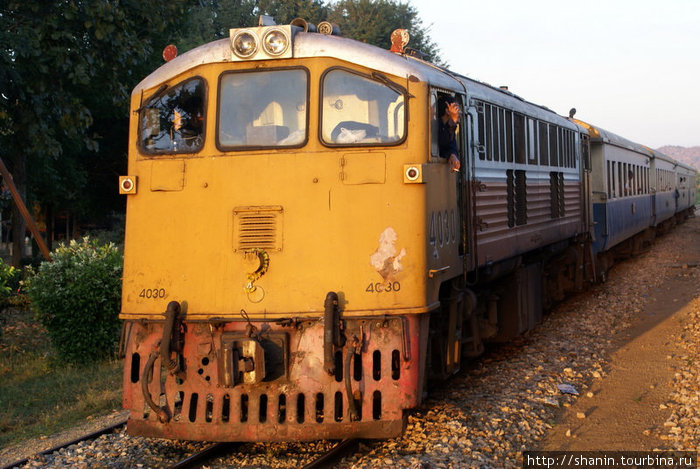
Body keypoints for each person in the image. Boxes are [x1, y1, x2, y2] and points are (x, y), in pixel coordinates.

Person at [437, 96, 461, 172]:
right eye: (456, 108)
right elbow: (442, 143)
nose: (459, 112)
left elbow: (451, 145)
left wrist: (452, 154)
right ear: (447, 111)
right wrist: (453, 121)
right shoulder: (436, 125)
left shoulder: (448, 127)